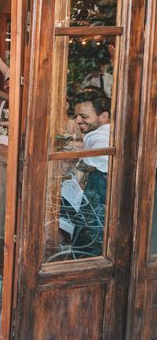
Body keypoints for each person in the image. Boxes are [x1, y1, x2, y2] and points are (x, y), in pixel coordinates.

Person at [61, 91, 110, 257]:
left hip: (96, 208)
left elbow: (86, 168)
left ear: (103, 116)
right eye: (76, 116)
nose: (78, 120)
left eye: (83, 116)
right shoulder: (104, 133)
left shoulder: (101, 137)